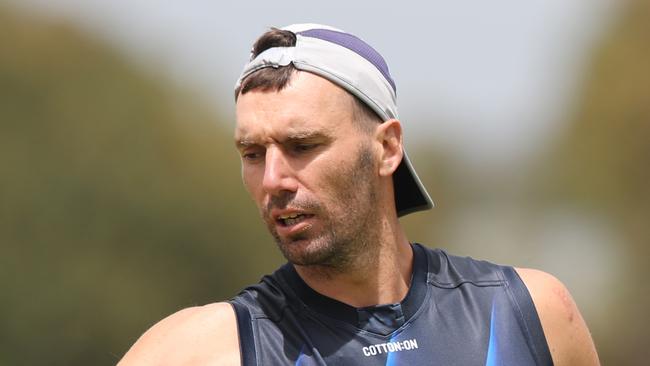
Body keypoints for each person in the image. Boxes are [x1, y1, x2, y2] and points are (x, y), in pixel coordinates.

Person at [118, 24, 600, 365]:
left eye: (302, 146)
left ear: (387, 148)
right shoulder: (200, 351)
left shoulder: (529, 313)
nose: (273, 180)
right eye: (251, 153)